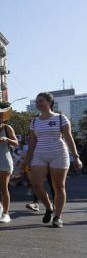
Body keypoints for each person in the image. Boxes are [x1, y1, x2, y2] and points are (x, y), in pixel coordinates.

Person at [22, 92, 83, 228]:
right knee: (36, 184)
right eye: (37, 102)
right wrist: (27, 160)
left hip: (59, 154)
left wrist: (76, 157)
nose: (38, 104)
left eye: (41, 101)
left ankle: (57, 217)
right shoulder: (34, 121)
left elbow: (68, 138)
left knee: (58, 186)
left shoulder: (61, 118)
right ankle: (49, 207)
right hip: (40, 154)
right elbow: (32, 141)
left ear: (50, 102)